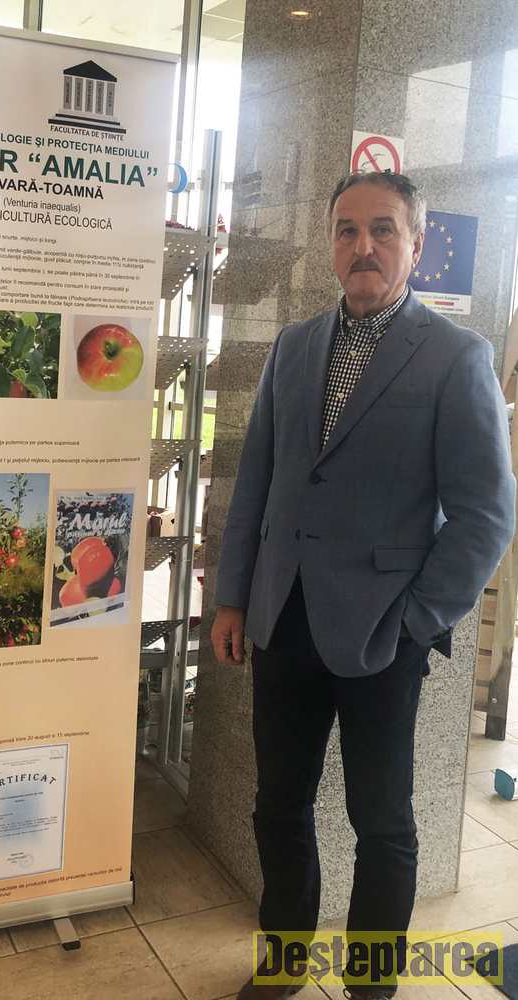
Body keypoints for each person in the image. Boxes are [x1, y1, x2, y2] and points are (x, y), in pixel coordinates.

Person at [211, 171, 516, 1000]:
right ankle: (283, 963)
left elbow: (486, 513)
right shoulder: (293, 346)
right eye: (346, 230)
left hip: (383, 631)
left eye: (383, 229)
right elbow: (258, 483)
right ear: (329, 246)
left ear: (415, 244)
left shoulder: (455, 356)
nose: (363, 246)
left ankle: (370, 983)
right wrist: (234, 596)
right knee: (277, 806)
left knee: (380, 822)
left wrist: (417, 619)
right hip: (281, 618)